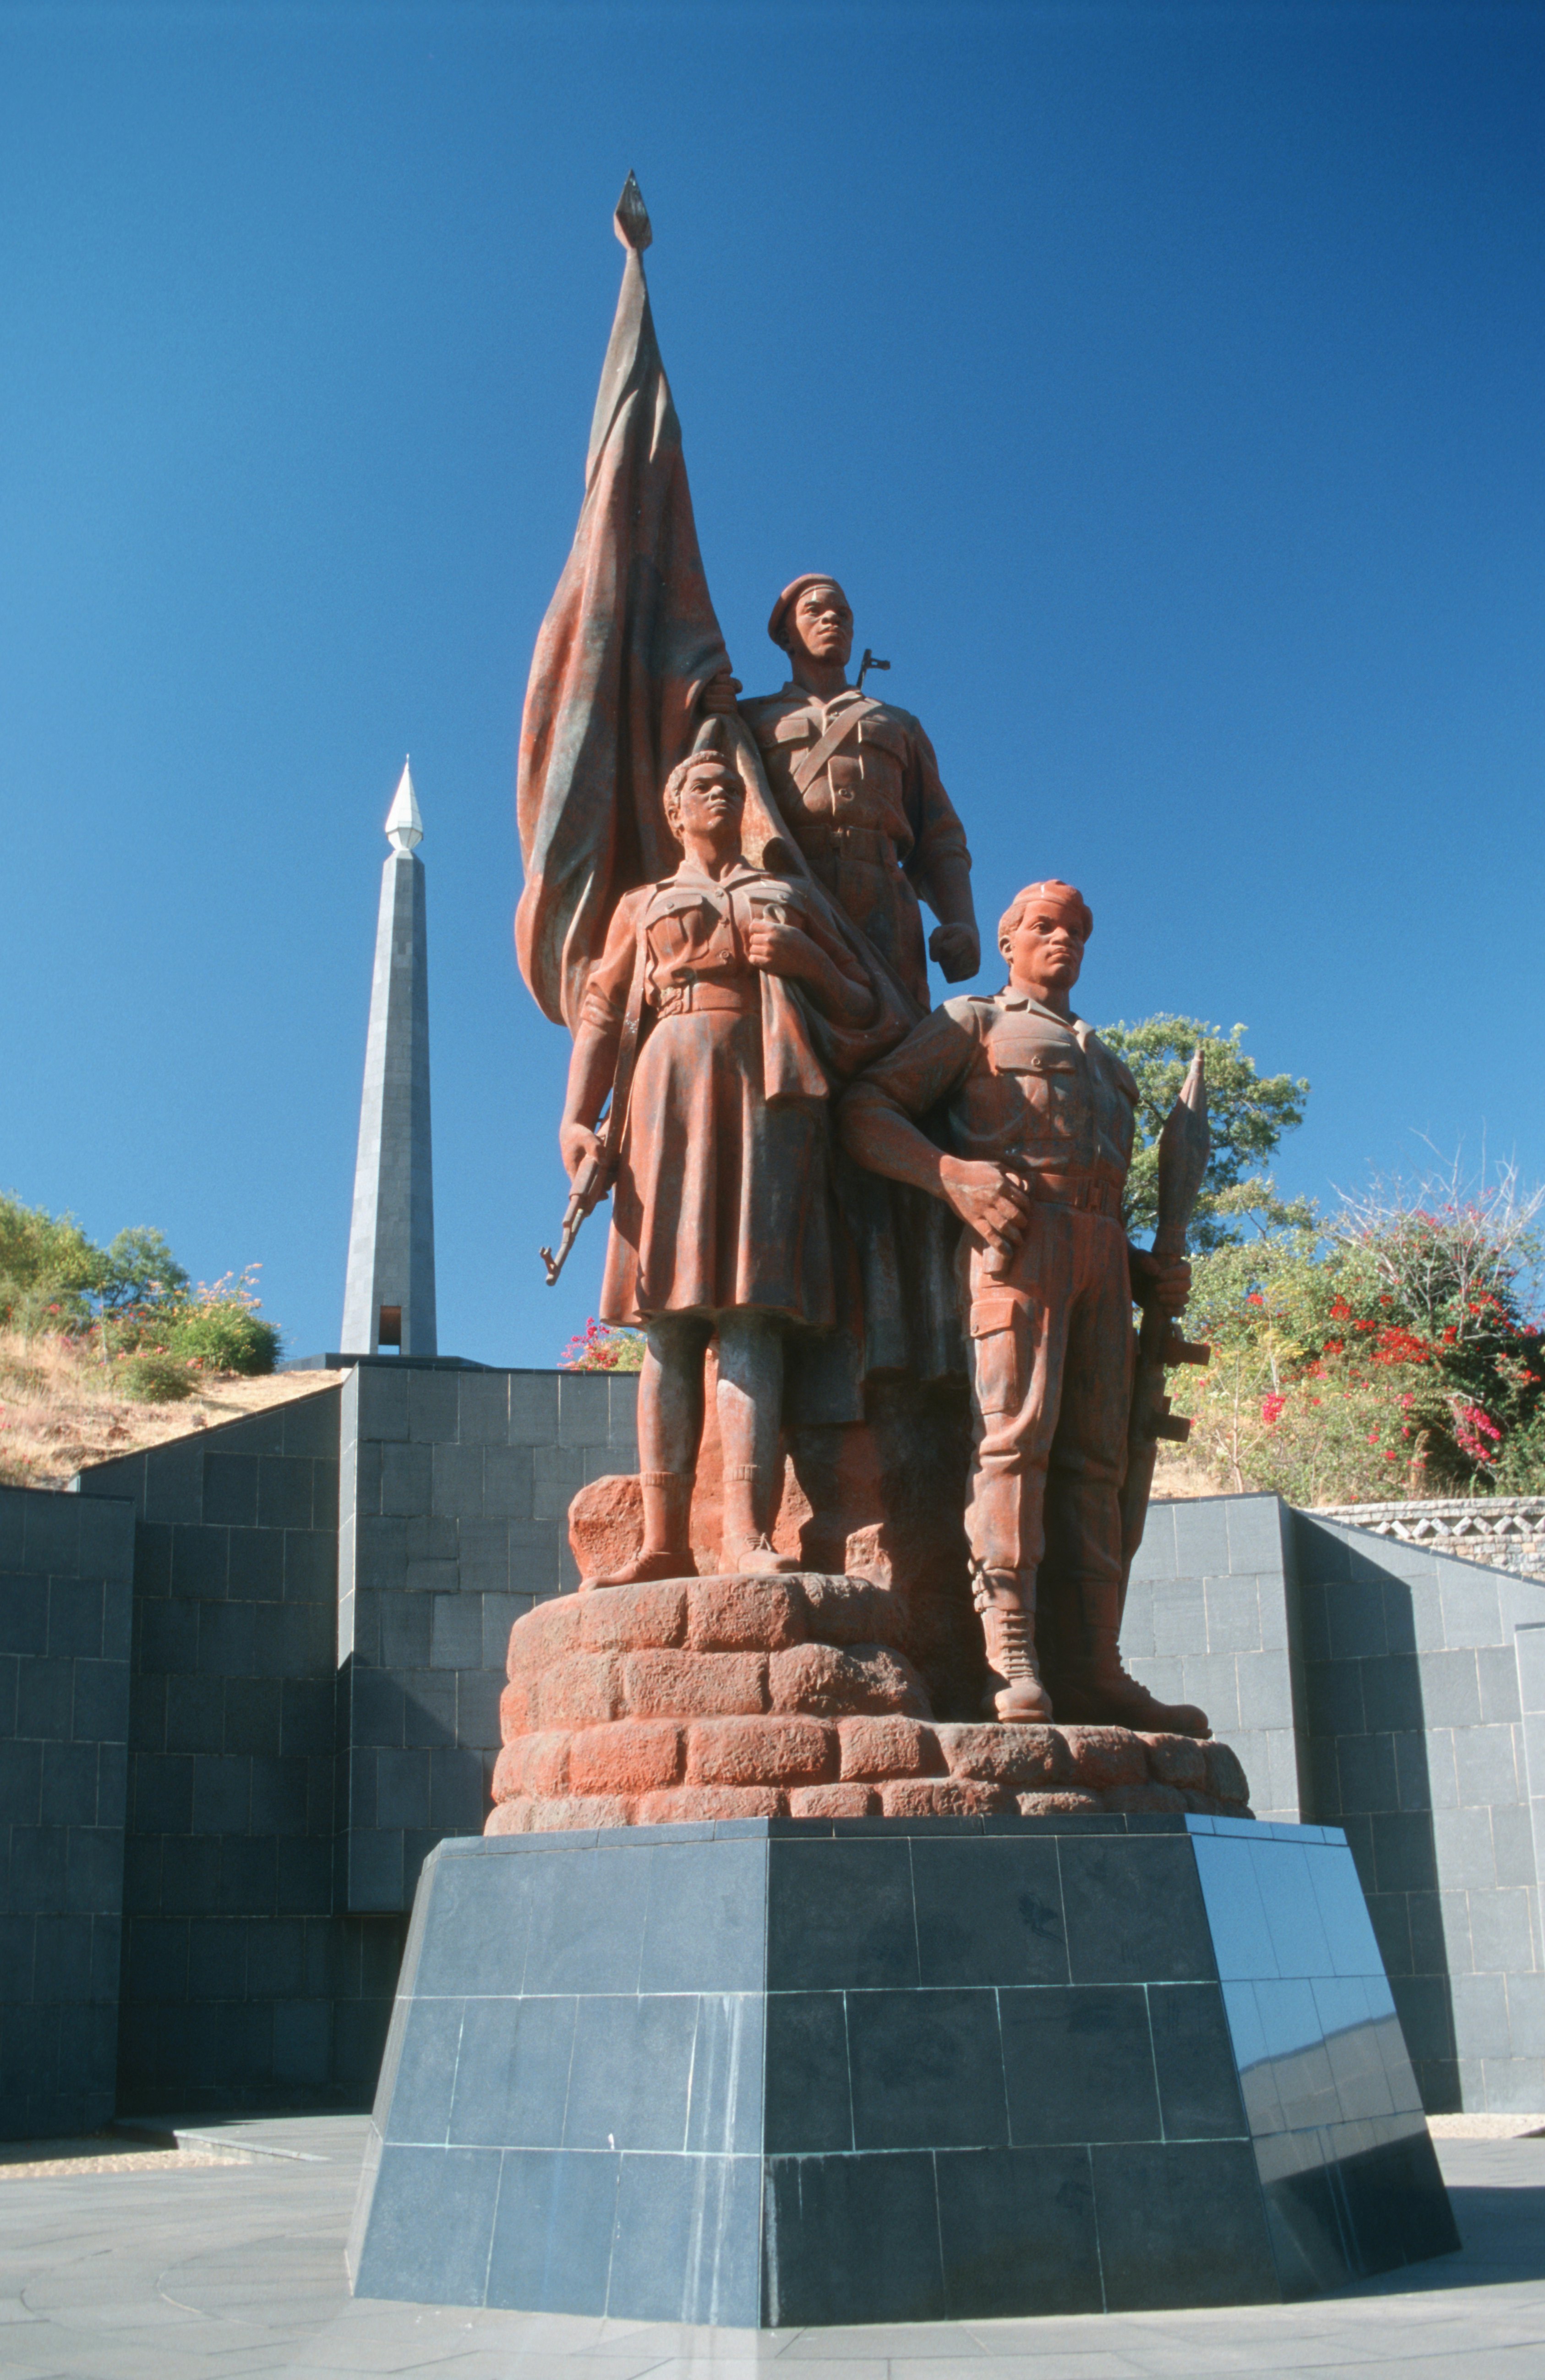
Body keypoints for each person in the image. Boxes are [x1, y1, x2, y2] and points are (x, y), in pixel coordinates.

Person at [838, 877, 1209, 1734]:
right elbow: (866, 1110)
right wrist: (951, 1174)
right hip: (1015, 1249)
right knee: (1013, 1447)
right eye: (1043, 926)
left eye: (1076, 929)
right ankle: (1011, 1653)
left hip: (1100, 1265)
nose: (1063, 940)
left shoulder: (1108, 1064)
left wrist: (1149, 1269)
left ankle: (1095, 1665)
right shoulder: (971, 1023)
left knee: (1097, 1462)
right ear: (1007, 942)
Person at [560, 748, 875, 1582]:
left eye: (731, 786)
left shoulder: (789, 895)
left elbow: (864, 1003)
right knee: (665, 1318)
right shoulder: (645, 903)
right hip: (666, 1092)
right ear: (672, 811)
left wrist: (805, 961)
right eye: (702, 785)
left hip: (769, 1096)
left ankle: (745, 1534)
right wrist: (574, 1121)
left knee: (750, 1312)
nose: (720, 793)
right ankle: (662, 1541)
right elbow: (598, 1012)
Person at [700, 576, 978, 1012]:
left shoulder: (897, 724)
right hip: (785, 891)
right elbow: (693, 798)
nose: (832, 618)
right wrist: (699, 708)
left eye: (843, 614)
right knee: (787, 1038)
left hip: (882, 895)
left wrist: (962, 922)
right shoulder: (748, 719)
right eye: (814, 611)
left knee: (894, 1037)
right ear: (785, 635)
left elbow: (939, 838)